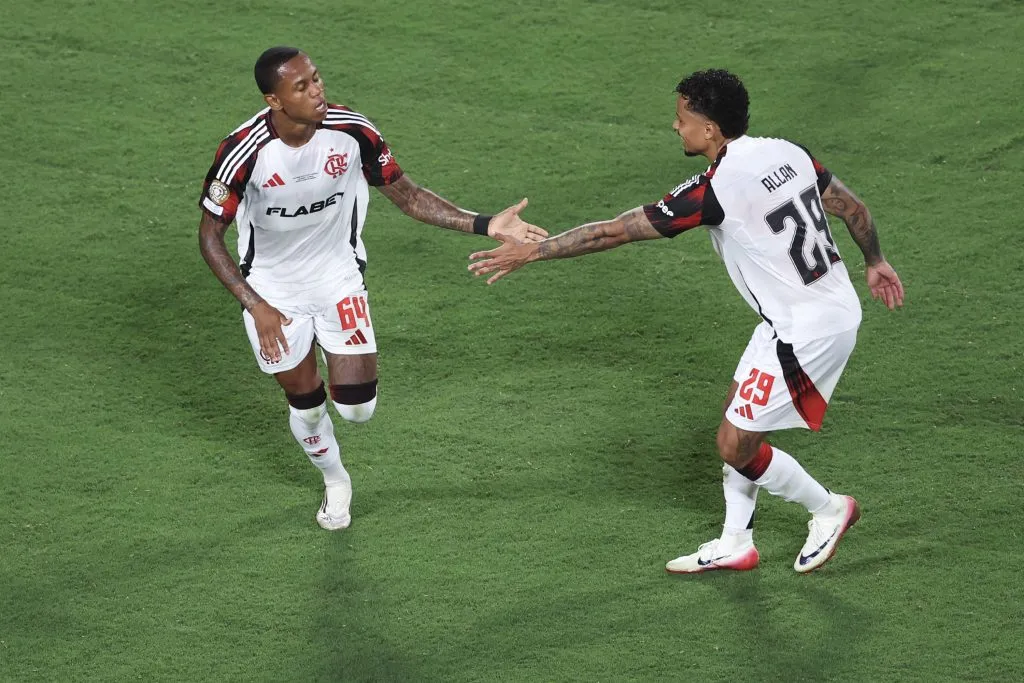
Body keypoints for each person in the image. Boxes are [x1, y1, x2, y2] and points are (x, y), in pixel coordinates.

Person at [468, 69, 904, 573]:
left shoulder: (715, 190)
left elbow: (613, 232)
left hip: (808, 330)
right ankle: (736, 542)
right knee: (737, 415)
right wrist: (875, 260)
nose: (676, 126)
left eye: (682, 118)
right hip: (800, 315)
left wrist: (534, 251)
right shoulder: (789, 152)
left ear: (710, 129)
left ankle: (828, 509)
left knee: (734, 444)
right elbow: (852, 207)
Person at [198, 46, 546, 531]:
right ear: (274, 101)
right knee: (307, 403)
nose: (317, 90)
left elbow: (408, 195)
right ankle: (335, 479)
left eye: (316, 78)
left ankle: (335, 381)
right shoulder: (244, 151)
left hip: (338, 277)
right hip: (273, 293)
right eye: (302, 86)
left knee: (357, 409)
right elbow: (209, 236)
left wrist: (486, 224)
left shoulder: (351, 131)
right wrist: (254, 305)